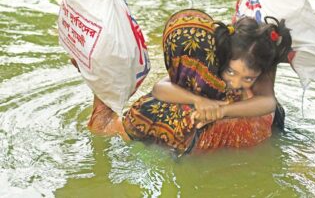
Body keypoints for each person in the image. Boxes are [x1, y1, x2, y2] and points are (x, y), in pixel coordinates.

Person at [82, 8, 291, 155]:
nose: (237, 82)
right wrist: (199, 100)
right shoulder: (208, 73)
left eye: (246, 78)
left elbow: (101, 129)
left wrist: (99, 74)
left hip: (215, 138)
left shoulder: (159, 113)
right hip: (260, 133)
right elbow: (161, 87)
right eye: (231, 72)